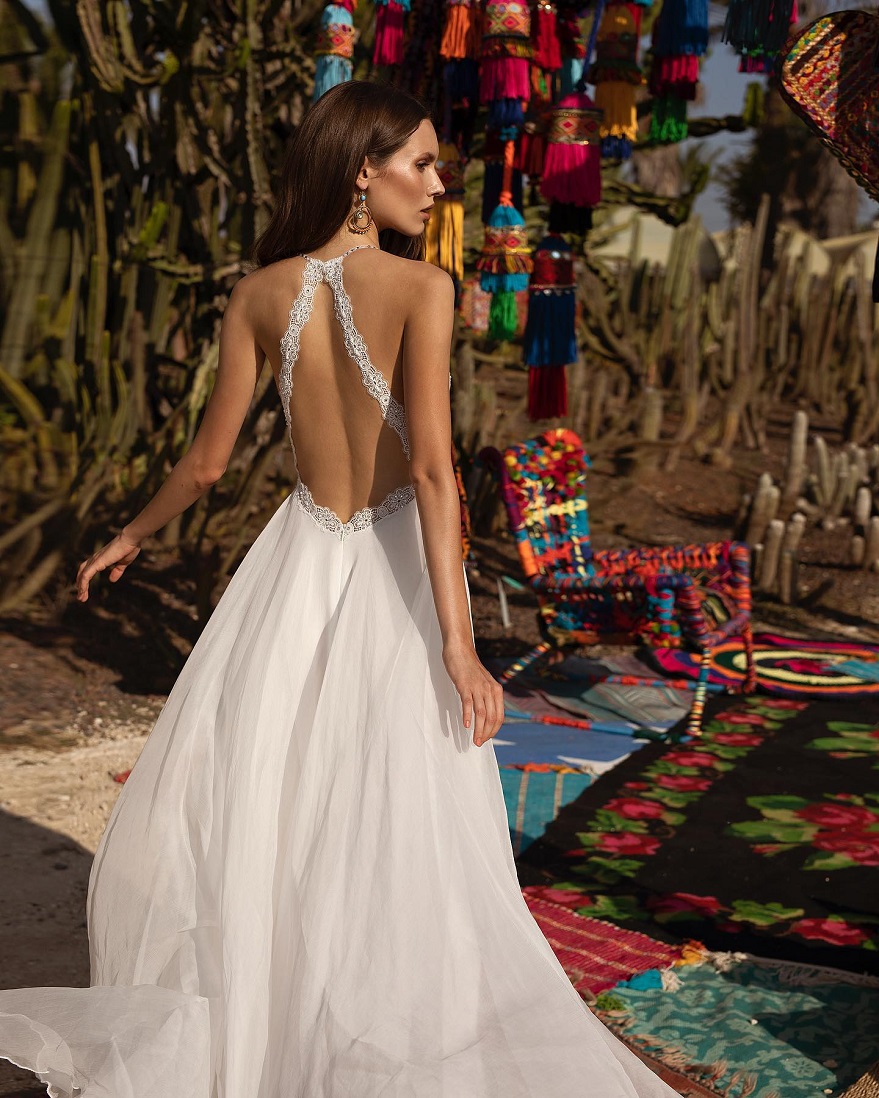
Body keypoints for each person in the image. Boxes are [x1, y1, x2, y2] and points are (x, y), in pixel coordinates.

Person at [0, 81, 679, 1097]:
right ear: (363, 170)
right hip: (393, 568)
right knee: (399, 815)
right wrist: (458, 645)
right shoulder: (421, 287)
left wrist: (128, 536)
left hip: (296, 569)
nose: (439, 185)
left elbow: (205, 467)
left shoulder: (257, 293)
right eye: (422, 163)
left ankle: (273, 1031)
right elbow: (436, 472)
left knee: (281, 805)